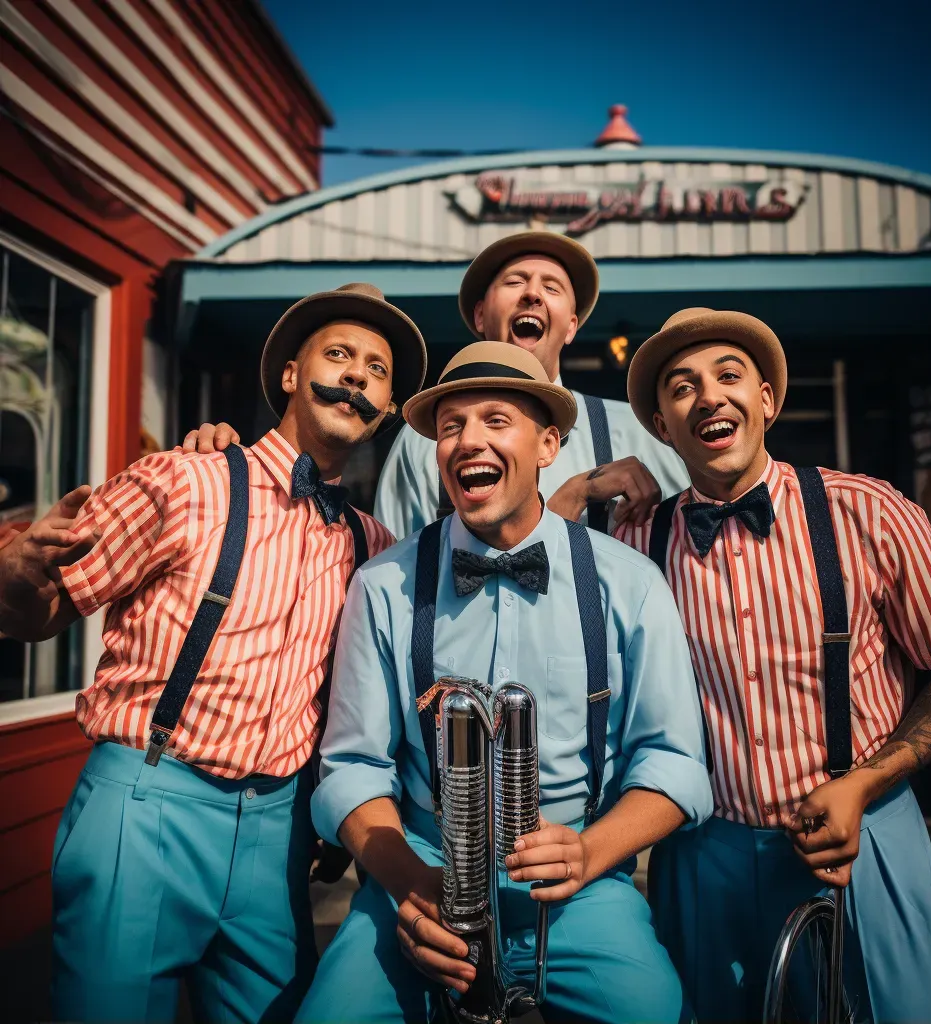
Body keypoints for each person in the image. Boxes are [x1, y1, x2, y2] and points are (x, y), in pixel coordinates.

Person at [0, 283, 426, 1023]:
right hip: (148, 806)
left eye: (377, 369)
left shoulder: (375, 547)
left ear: (386, 407)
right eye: (339, 355)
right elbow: (41, 613)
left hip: (280, 834)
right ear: (291, 375)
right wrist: (13, 574)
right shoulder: (184, 479)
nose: (357, 374)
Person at [295, 341, 713, 1024]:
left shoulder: (629, 582)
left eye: (495, 420)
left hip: (580, 888)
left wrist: (590, 851)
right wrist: (411, 884)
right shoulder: (383, 586)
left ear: (548, 445)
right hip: (420, 868)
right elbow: (351, 771)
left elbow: (674, 765)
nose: (468, 441)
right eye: (452, 425)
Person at [615, 306, 931, 1023]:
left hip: (867, 833)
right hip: (702, 853)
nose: (709, 396)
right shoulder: (634, 540)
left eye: (730, 376)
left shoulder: (870, 513)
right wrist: (574, 496)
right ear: (662, 424)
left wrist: (868, 782)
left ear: (766, 400)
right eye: (682, 386)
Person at [184, 232, 690, 537]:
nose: (533, 294)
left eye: (551, 287)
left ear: (572, 325)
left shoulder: (633, 431)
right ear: (478, 315)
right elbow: (400, 569)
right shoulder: (424, 439)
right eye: (514, 282)